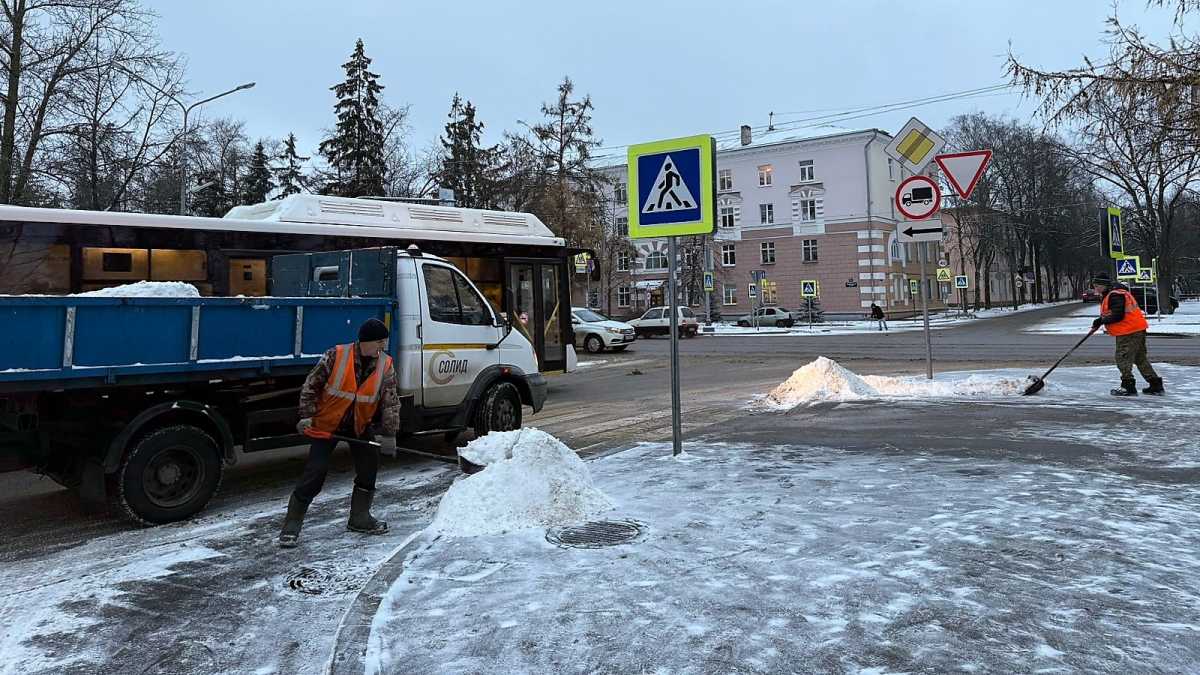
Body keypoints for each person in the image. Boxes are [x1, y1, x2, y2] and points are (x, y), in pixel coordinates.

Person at [279, 318, 401, 548]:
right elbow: (311, 386)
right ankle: (292, 525)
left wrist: (390, 434)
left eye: (384, 342)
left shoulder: (385, 364)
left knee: (368, 467)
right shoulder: (336, 355)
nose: (382, 347)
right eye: (379, 342)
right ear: (365, 341)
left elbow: (390, 402)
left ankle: (359, 518)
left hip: (359, 426)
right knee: (315, 472)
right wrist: (306, 416)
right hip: (327, 425)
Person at [1090, 273, 1164, 397]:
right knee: (1139, 358)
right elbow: (1112, 312)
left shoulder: (1115, 295)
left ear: (1104, 285)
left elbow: (1118, 315)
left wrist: (1101, 321)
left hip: (1128, 331)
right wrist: (1101, 320)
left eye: (1097, 286)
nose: (1095, 289)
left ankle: (1128, 386)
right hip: (1136, 328)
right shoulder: (1115, 293)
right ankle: (1155, 383)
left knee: (1122, 357)